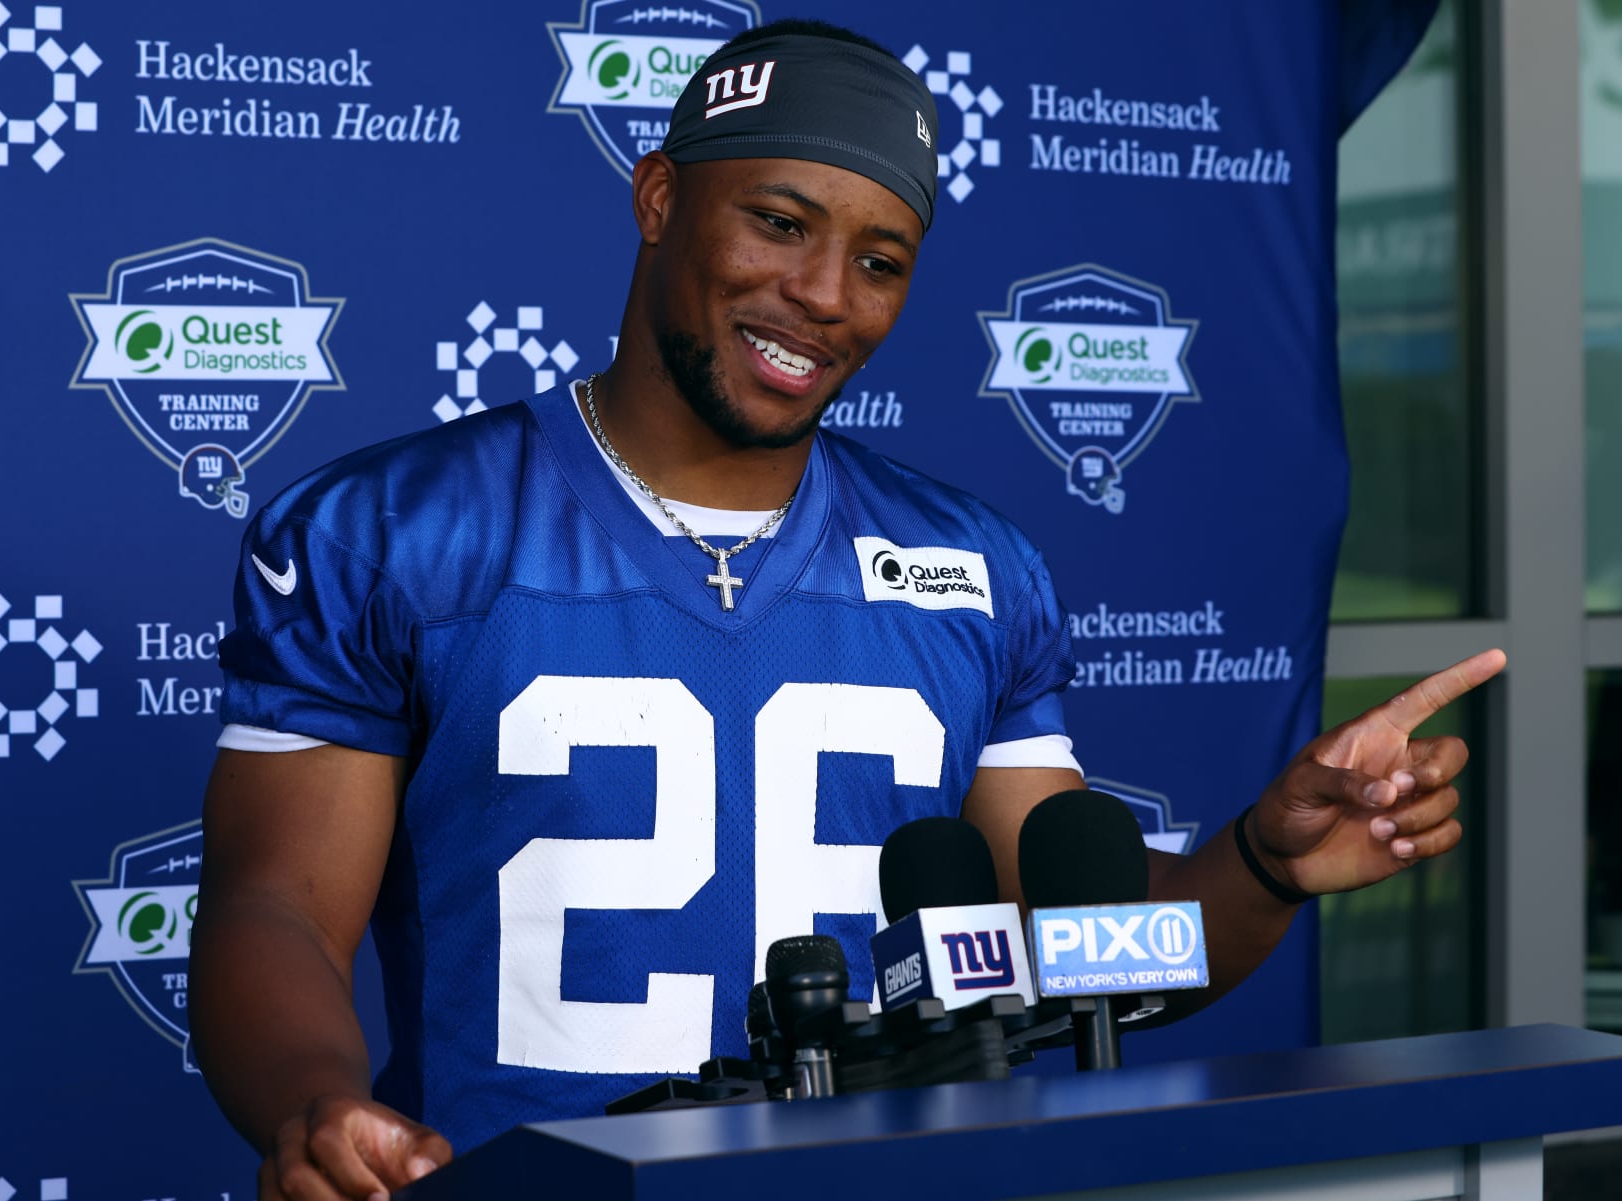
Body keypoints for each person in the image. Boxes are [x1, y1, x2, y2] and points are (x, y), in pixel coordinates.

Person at [188, 19, 1505, 1201]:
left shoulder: (975, 567)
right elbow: (279, 907)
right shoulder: (392, 527)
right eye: (778, 221)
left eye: (880, 258)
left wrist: (1263, 865)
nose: (824, 294)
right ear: (659, 198)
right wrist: (319, 1103)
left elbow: (1072, 944)